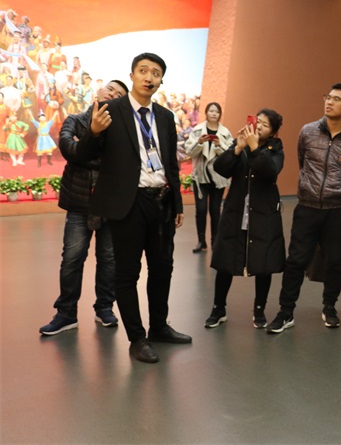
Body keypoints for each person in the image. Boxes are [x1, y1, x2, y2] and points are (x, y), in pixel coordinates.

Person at [75, 52, 191, 364]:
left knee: (163, 267)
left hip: (161, 202)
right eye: (143, 71)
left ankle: (159, 327)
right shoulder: (111, 110)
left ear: (161, 81)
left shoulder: (165, 116)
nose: (149, 77)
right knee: (128, 273)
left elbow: (171, 164)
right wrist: (93, 132)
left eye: (156, 73)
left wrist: (177, 202)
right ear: (132, 75)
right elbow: (83, 155)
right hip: (128, 203)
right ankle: (137, 338)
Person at [266, 83, 341, 333]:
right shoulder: (308, 132)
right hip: (307, 207)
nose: (329, 102)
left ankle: (329, 307)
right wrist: (311, 189)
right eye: (328, 97)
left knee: (335, 261)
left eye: (336, 99)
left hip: (337, 210)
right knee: (296, 261)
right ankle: (286, 312)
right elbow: (303, 162)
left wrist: (339, 194)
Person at [39, 80, 129, 336]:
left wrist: (85, 151)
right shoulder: (75, 120)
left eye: (119, 95)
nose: (112, 94)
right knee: (72, 259)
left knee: (109, 260)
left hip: (110, 203)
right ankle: (66, 313)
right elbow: (70, 151)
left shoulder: (122, 129)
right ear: (98, 91)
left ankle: (104, 309)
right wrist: (94, 135)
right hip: (79, 203)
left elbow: (119, 161)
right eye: (110, 89)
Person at [204, 108, 286, 329]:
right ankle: (218, 309)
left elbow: (270, 172)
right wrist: (237, 149)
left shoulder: (276, 149)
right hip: (236, 211)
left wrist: (254, 148)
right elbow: (220, 168)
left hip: (263, 213)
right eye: (258, 121)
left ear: (273, 132)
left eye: (265, 125)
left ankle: (259, 310)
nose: (259, 127)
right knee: (226, 260)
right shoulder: (239, 143)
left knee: (263, 262)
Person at [184, 102, 234, 253]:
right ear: (206, 113)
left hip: (218, 177)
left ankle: (215, 241)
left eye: (216, 112)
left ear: (220, 115)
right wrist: (199, 142)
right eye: (211, 111)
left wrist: (219, 145)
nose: (213, 114)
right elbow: (189, 151)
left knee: (215, 210)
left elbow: (231, 154)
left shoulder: (225, 132)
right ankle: (201, 241)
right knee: (201, 209)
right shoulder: (197, 130)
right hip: (200, 176)